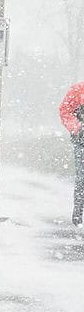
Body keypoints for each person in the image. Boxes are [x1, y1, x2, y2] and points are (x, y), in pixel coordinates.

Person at [58, 81, 84, 225]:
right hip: (82, 142)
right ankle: (78, 217)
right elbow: (65, 110)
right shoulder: (79, 89)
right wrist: (78, 128)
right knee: (82, 178)